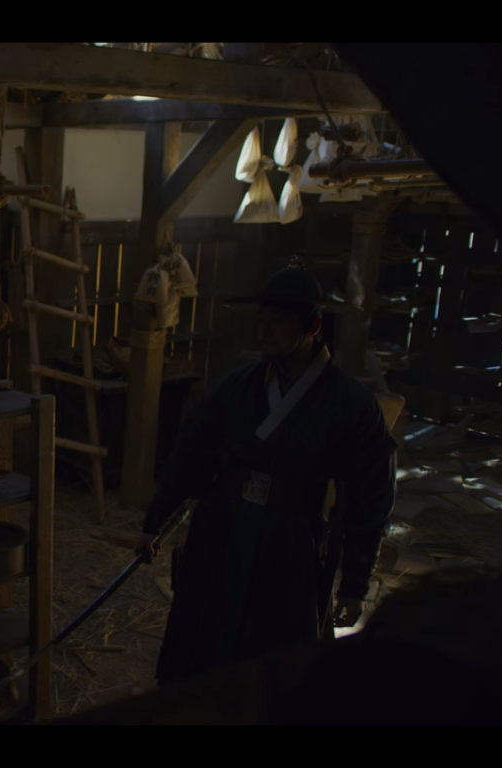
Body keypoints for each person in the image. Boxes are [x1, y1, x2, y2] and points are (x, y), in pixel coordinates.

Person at [135, 263, 397, 688]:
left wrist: (354, 584)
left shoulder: (351, 404)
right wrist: (155, 521)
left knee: (276, 661)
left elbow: (371, 497)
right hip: (223, 530)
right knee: (204, 648)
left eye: (278, 321)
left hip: (290, 543)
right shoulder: (235, 387)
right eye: (261, 321)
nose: (264, 331)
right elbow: (189, 456)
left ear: (313, 326)